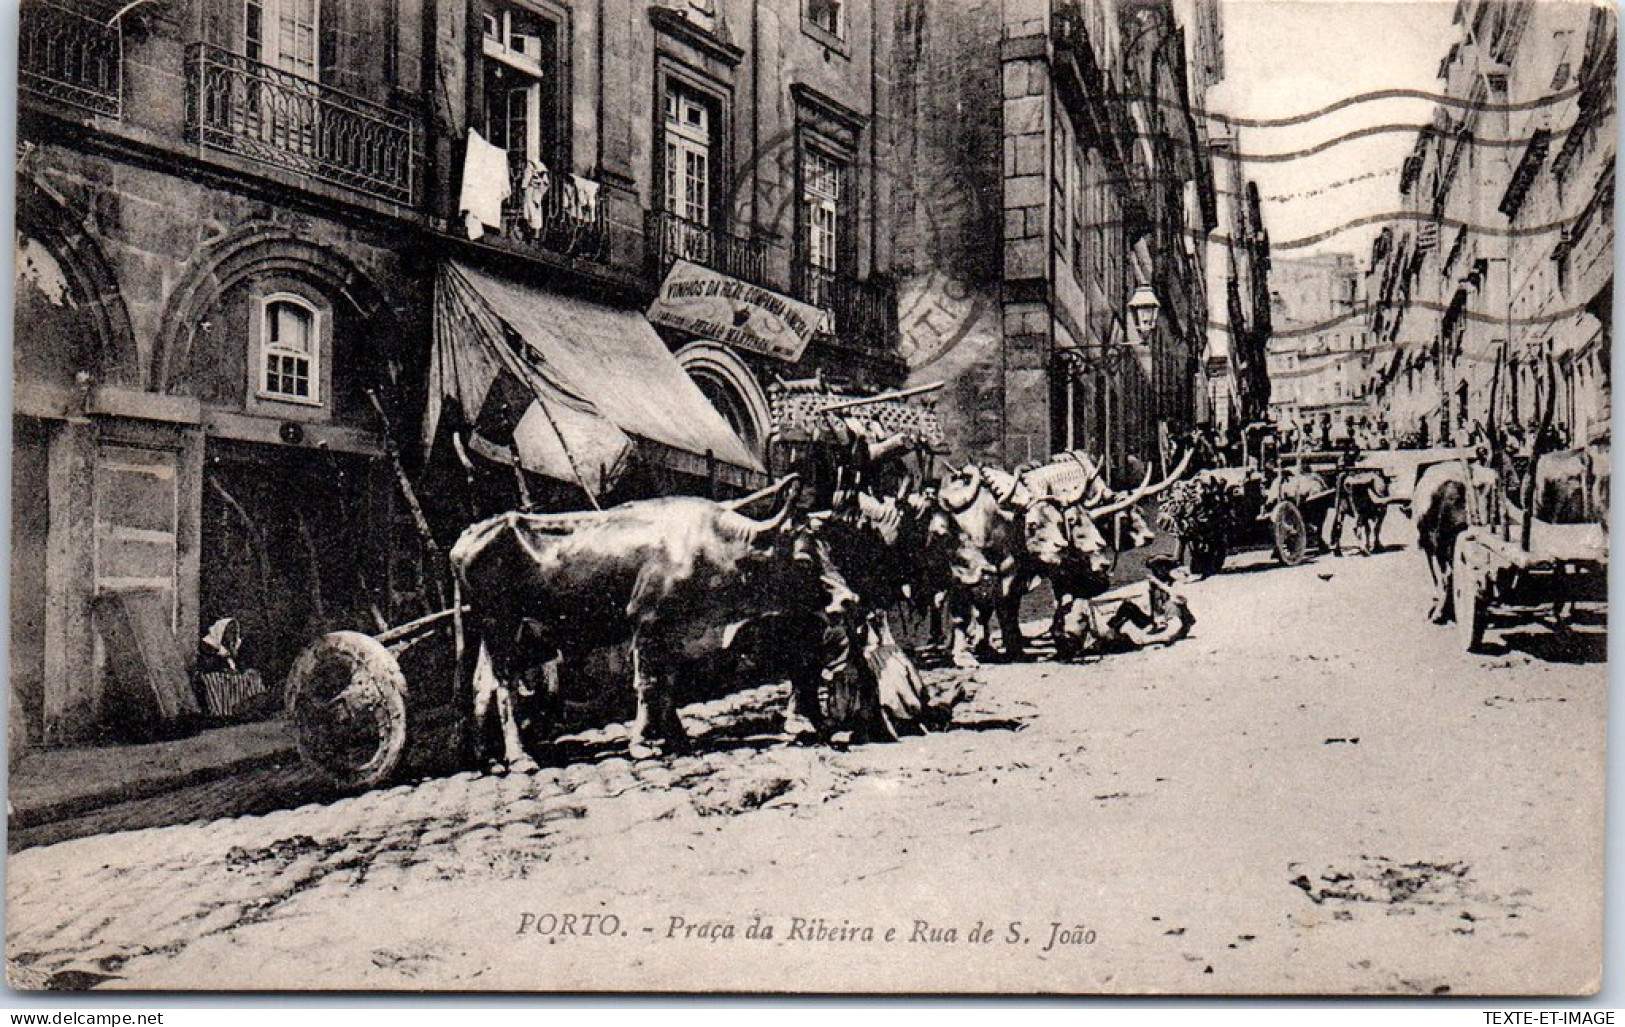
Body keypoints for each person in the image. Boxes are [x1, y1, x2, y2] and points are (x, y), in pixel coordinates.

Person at [1053, 556, 1195, 659]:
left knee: (1122, 616)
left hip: (1163, 628)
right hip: (1156, 625)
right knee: (1127, 607)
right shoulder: (1159, 588)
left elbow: (1174, 626)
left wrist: (1154, 640)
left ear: (1164, 570)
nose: (1155, 574)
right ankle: (1108, 631)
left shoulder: (1174, 590)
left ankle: (1105, 633)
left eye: (1157, 570)